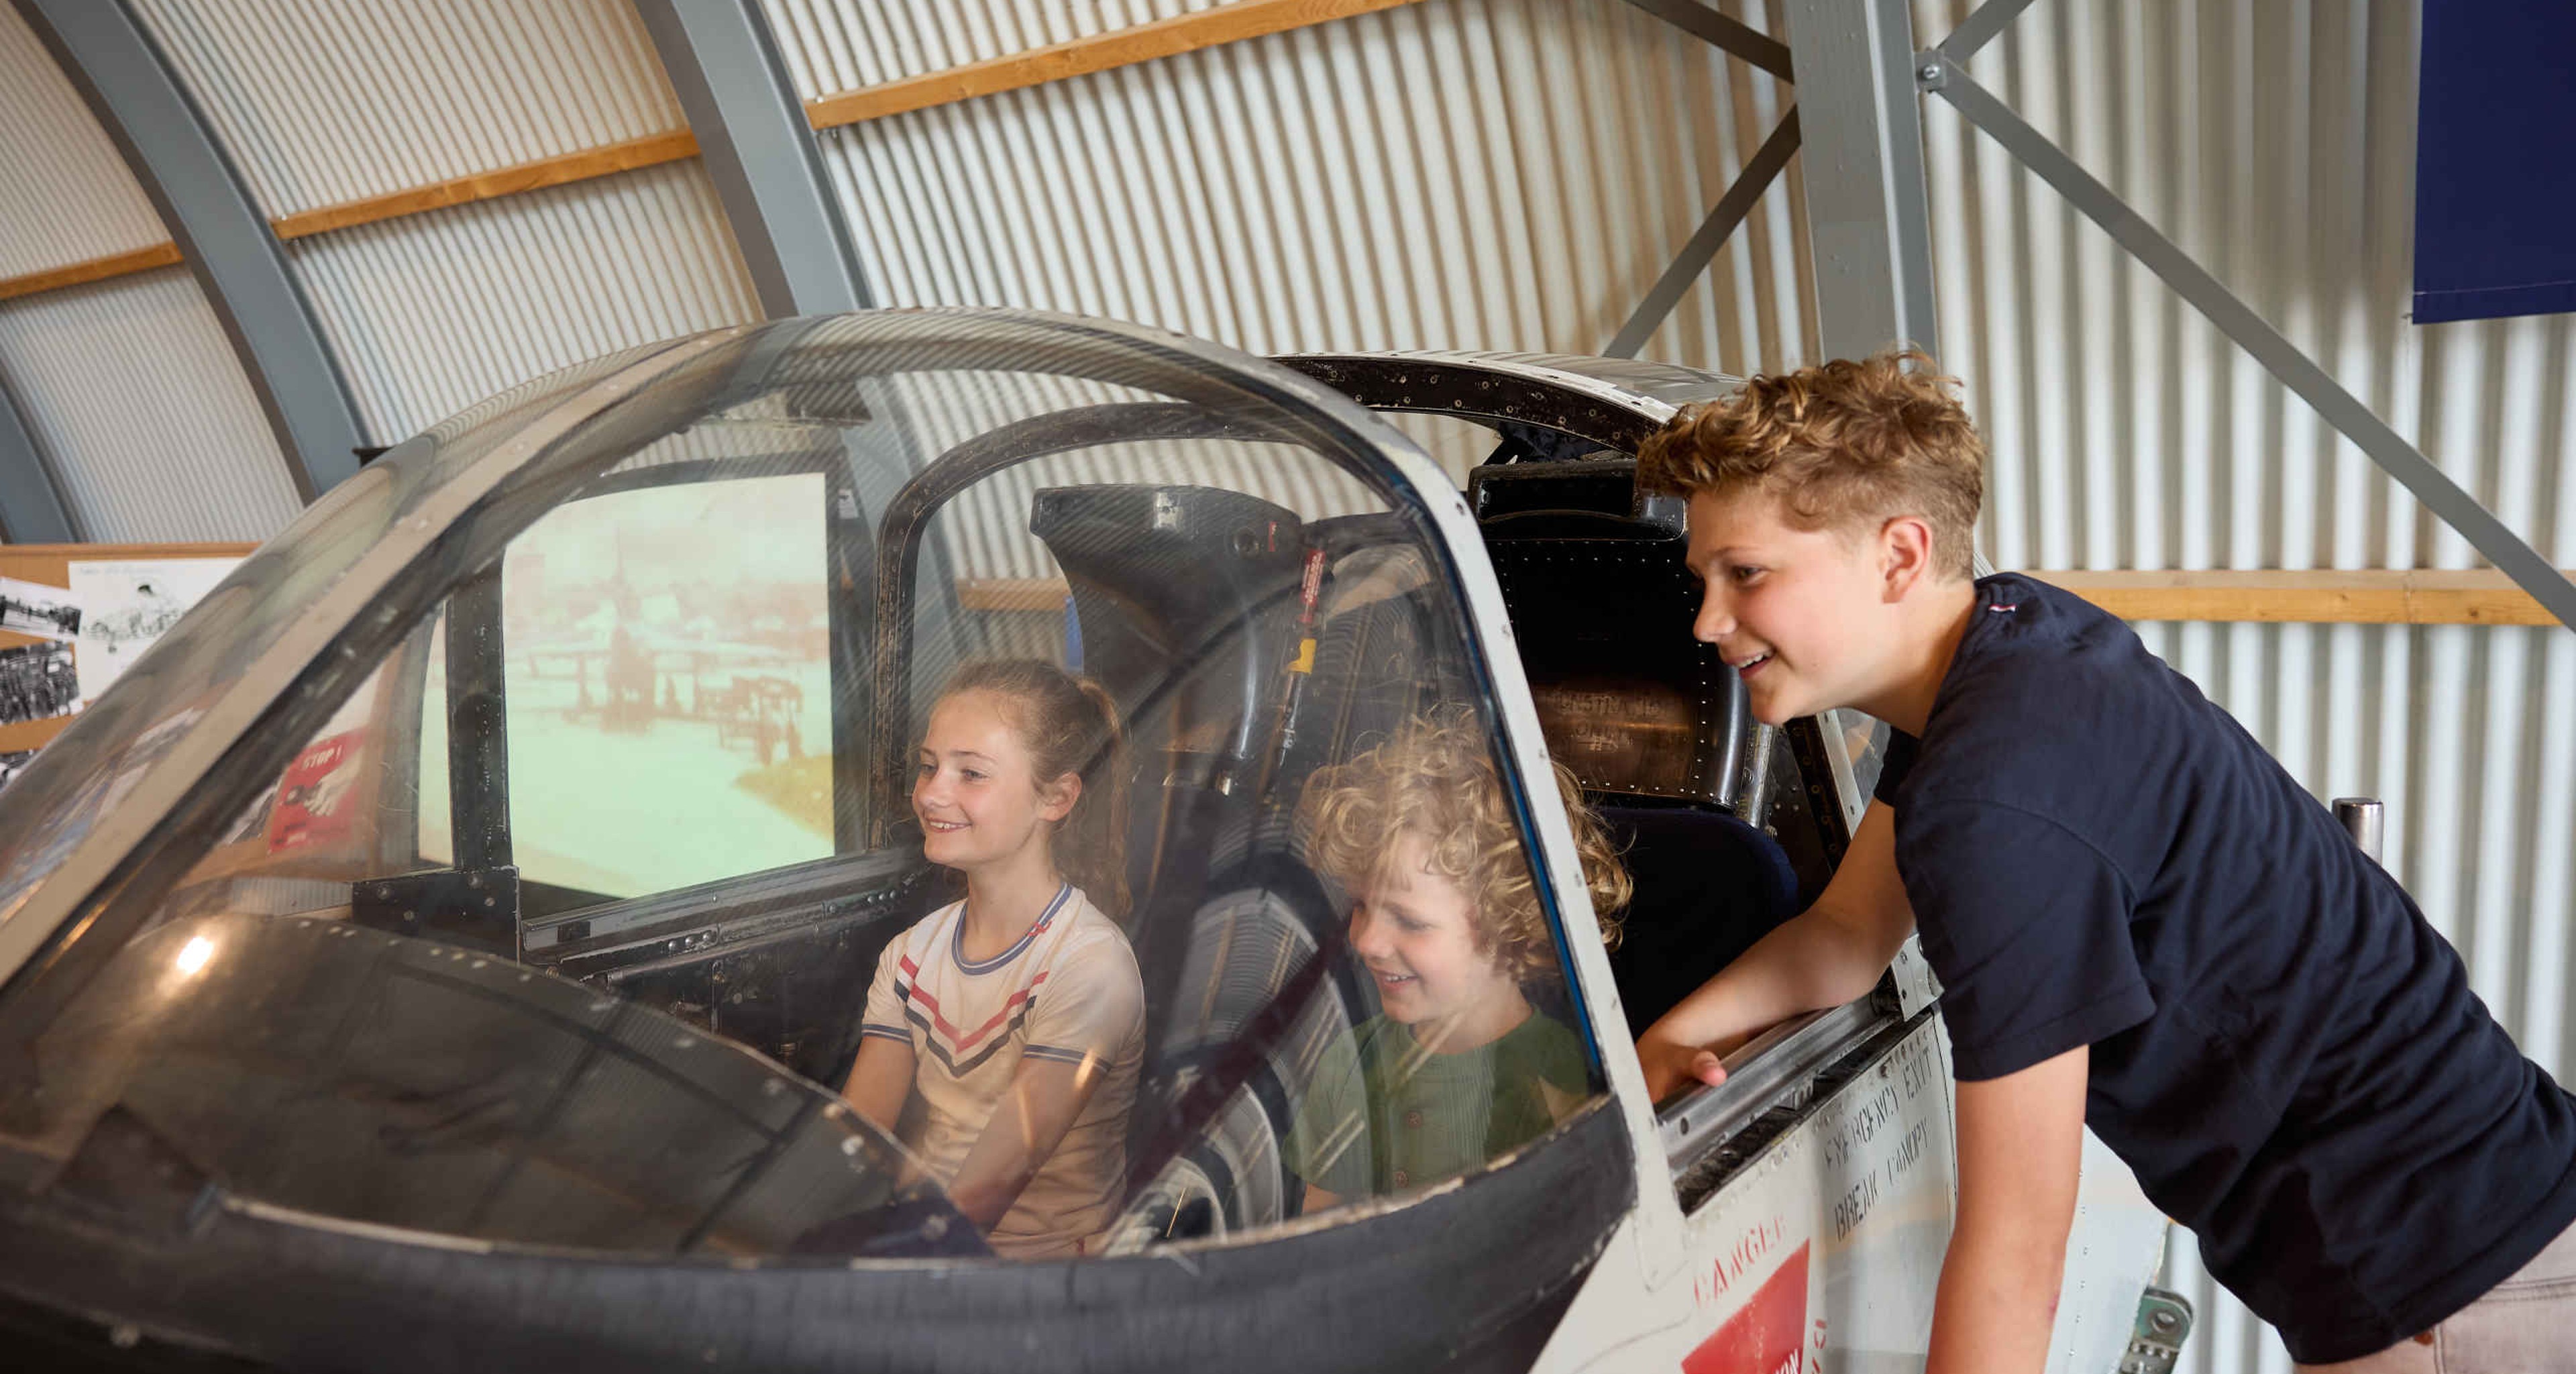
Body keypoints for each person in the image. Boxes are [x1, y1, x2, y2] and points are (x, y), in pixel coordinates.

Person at [1629, 350, 2576, 1371]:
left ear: (1899, 556)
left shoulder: (1992, 801)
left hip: (2460, 1291)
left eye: (1748, 574)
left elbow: (2017, 1251)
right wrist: (1666, 1040)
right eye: (1705, 580)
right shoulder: (2006, 645)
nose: (1708, 622)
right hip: (2477, 1229)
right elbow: (1850, 935)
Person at [842, 658, 1145, 1259]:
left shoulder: (1088, 968)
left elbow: (980, 1200)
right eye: (929, 767)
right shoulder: (910, 955)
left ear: (1056, 797)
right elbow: (852, 1149)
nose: (931, 793)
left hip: (1039, 1283)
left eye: (971, 774)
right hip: (927, 1248)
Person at [1286, 712, 1631, 1213]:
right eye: (1360, 905)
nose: (1367, 941)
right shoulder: (1350, 1063)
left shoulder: (1567, 1081)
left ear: (1512, 925)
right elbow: (1317, 1232)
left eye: (1409, 921)